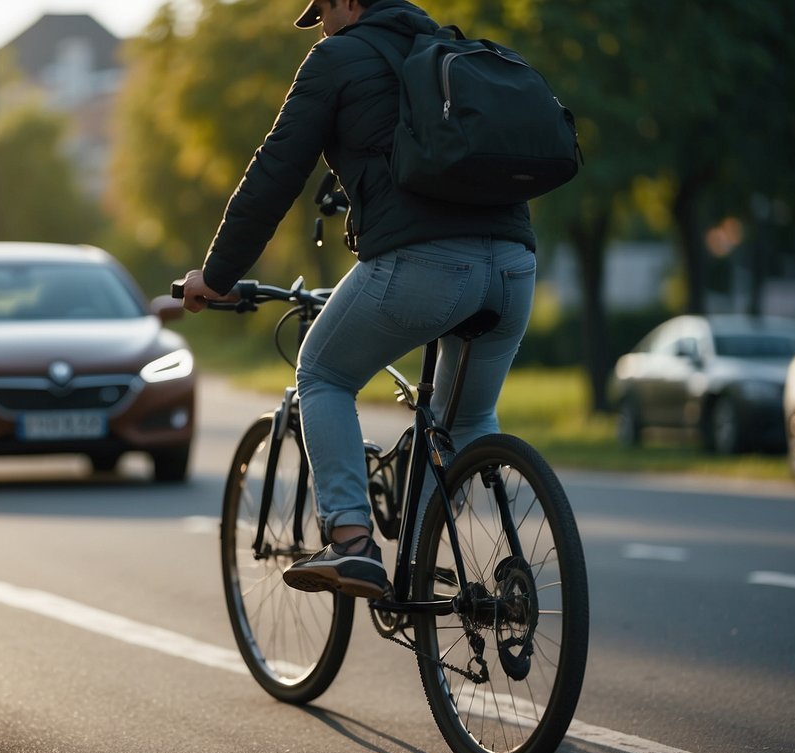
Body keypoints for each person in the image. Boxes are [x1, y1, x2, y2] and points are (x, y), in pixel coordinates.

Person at [179, 0, 537, 600]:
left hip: (423, 265)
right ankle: (430, 571)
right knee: (467, 419)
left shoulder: (335, 59)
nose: (319, 23)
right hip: (514, 266)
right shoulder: (452, 50)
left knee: (321, 372)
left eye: (322, 10)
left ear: (348, 1)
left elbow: (275, 172)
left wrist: (216, 275)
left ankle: (352, 542)